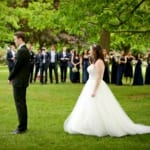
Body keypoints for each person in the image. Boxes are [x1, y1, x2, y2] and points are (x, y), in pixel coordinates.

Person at [64, 44, 150, 137]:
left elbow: (99, 77)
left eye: (91, 50)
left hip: (96, 86)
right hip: (89, 84)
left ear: (95, 51)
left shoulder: (100, 62)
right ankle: (88, 124)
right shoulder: (95, 60)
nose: (89, 51)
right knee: (87, 106)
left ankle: (100, 126)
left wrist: (94, 91)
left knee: (99, 105)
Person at [8, 31, 30, 134]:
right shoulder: (24, 50)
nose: (14, 41)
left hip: (19, 81)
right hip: (21, 81)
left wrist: (10, 77)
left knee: (20, 104)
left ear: (20, 39)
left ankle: (21, 128)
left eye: (15, 39)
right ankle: (23, 126)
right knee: (22, 104)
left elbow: (16, 67)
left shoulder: (22, 51)